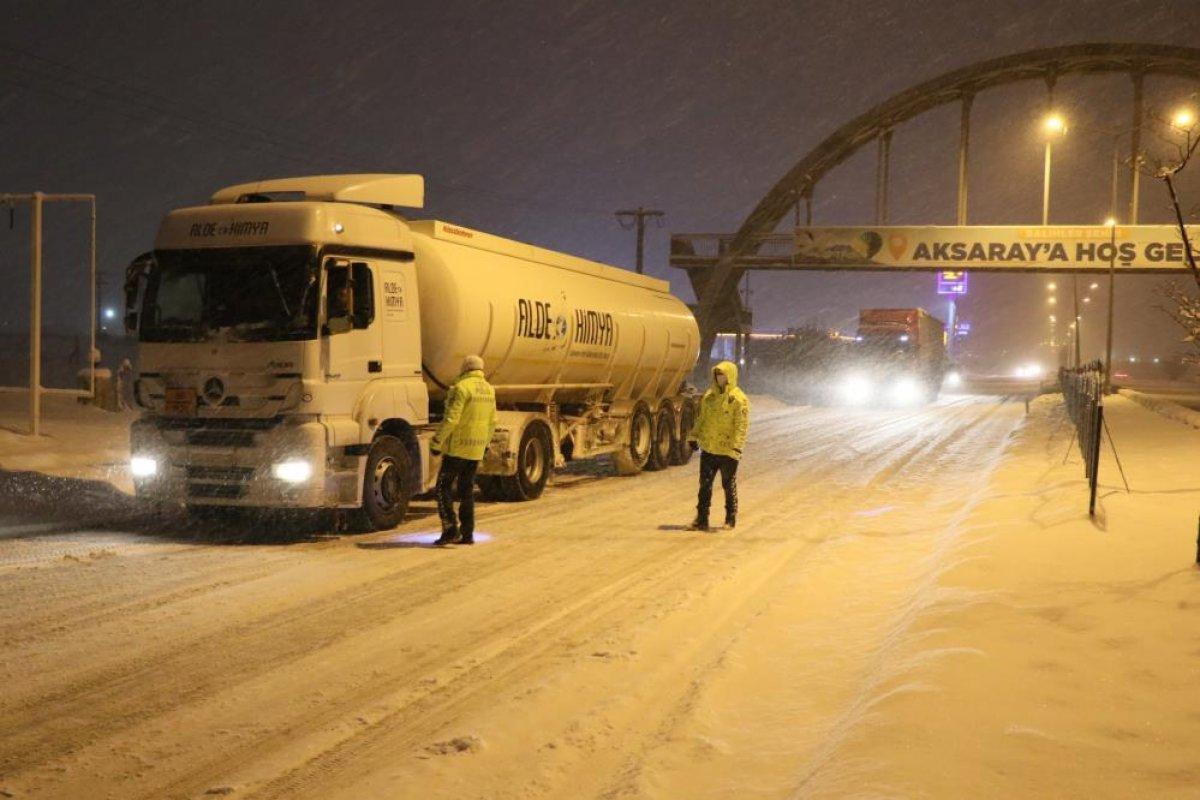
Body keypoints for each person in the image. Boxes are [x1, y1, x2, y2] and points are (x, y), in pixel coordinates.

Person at [430, 355, 497, 546]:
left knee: (442, 488)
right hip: (475, 449)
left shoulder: (461, 388)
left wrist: (437, 442)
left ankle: (450, 530)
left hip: (458, 448)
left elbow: (451, 419)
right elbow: (493, 422)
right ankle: (468, 535)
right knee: (466, 491)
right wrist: (484, 445)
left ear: (465, 368)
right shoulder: (489, 390)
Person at [686, 360, 750, 532]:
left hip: (728, 451)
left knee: (728, 485)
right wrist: (694, 436)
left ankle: (730, 518)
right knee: (704, 485)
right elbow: (702, 420)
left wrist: (736, 447)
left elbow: (741, 426)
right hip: (709, 449)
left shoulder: (738, 400)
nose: (720, 378)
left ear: (730, 376)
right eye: (717, 374)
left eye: (723, 374)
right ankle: (701, 519)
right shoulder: (709, 397)